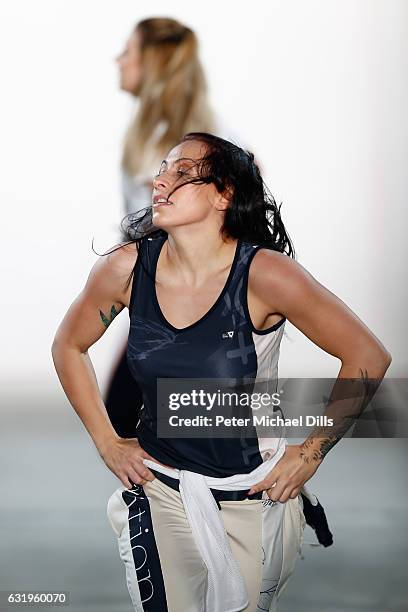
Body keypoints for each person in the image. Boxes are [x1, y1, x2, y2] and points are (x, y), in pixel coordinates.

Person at [51, 132, 391, 612]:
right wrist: (107, 441)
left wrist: (311, 454)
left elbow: (367, 356)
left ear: (225, 193)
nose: (161, 180)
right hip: (161, 491)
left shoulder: (267, 276)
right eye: (163, 169)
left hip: (256, 496)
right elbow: (69, 345)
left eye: (183, 172)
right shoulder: (125, 269)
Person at [106, 17, 238, 436]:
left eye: (128, 51)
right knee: (135, 417)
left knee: (136, 418)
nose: (118, 60)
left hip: (191, 304)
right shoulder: (147, 135)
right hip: (158, 297)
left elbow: (247, 192)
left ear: (152, 64)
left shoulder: (195, 140)